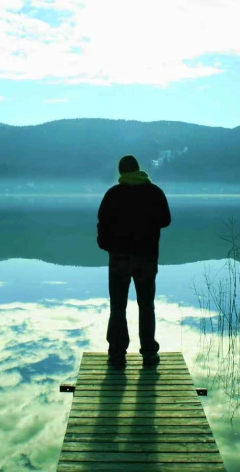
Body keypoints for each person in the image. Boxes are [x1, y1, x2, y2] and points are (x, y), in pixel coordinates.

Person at [96, 155, 172, 367]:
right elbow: (165, 220)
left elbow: (102, 223)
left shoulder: (113, 194)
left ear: (121, 172)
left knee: (118, 307)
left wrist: (106, 244)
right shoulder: (154, 192)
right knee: (146, 305)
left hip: (119, 258)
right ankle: (149, 353)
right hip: (147, 257)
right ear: (138, 169)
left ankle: (117, 355)